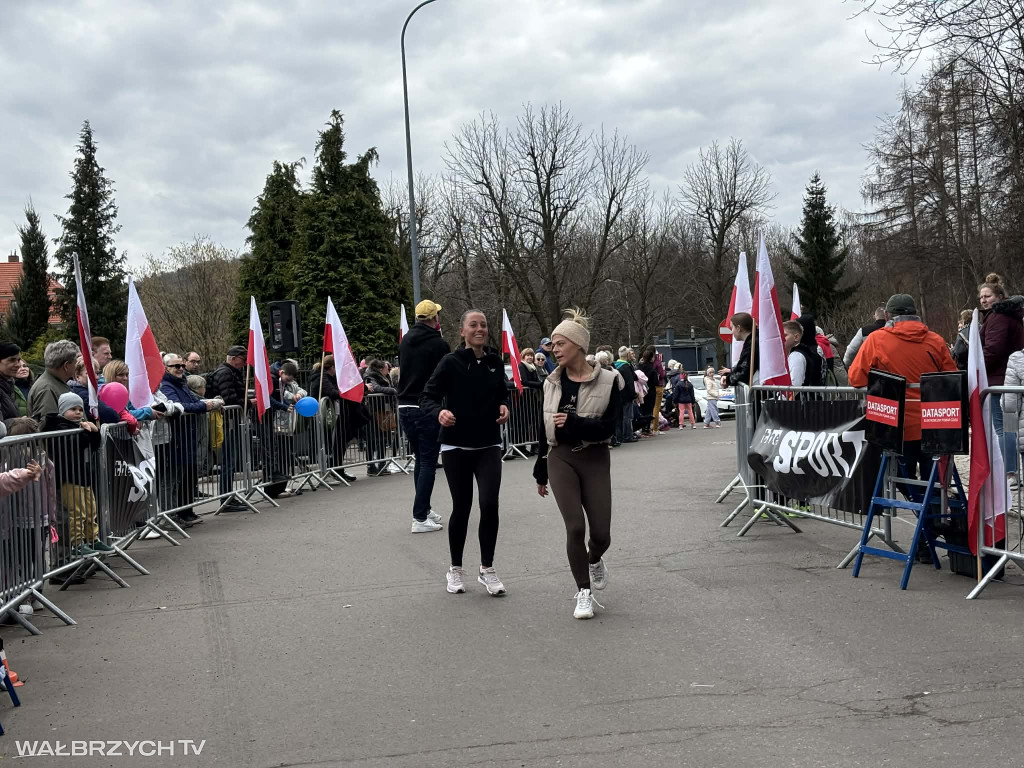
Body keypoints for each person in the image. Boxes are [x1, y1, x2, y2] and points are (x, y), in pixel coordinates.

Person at [533, 309, 624, 620]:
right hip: (561, 457)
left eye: (560, 344)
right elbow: (543, 427)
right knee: (574, 526)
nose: (554, 350)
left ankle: (595, 558)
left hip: (595, 457)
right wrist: (540, 467)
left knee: (601, 535)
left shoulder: (611, 380)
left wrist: (575, 422)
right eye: (553, 345)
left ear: (579, 345)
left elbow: (609, 428)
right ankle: (583, 591)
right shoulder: (550, 382)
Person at [421, 309, 510, 596]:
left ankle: (487, 569)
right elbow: (428, 396)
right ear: (462, 331)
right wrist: (440, 412)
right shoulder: (451, 362)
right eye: (473, 325)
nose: (480, 329)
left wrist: (504, 406)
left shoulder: (495, 362)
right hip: (456, 445)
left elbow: (502, 394)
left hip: (488, 444)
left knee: (490, 503)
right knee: (462, 506)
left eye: (483, 324)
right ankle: (455, 569)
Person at [848, 294, 957, 481]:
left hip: (896, 425)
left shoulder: (876, 340)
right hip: (934, 423)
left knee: (898, 477)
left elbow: (855, 378)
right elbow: (952, 377)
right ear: (916, 314)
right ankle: (932, 507)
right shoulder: (935, 340)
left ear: (887, 316)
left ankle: (917, 504)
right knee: (934, 481)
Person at [397, 299, 450, 533]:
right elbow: (444, 375)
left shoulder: (406, 340)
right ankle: (419, 517)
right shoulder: (438, 344)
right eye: (437, 315)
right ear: (432, 319)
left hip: (404, 406)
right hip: (425, 405)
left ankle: (424, 508)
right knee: (428, 460)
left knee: (421, 458)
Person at [40, 392, 112, 556]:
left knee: (90, 509)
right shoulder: (58, 427)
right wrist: (86, 432)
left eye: (80, 409)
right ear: (63, 410)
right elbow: (72, 444)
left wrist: (94, 432)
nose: (78, 412)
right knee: (77, 512)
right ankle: (77, 542)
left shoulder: (79, 426)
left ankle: (93, 539)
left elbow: (94, 446)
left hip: (83, 476)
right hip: (69, 477)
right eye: (73, 409)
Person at [160, 353, 220, 526]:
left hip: (186, 439)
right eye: (175, 366)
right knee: (169, 481)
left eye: (181, 366)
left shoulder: (182, 383)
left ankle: (176, 514)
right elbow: (178, 406)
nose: (180, 369)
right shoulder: (166, 385)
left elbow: (194, 400)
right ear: (166, 368)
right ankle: (168, 517)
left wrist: (211, 403)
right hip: (175, 439)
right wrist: (204, 406)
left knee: (179, 479)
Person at [979, 273, 1024, 482]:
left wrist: (976, 369)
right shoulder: (1011, 315)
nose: (983, 300)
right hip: (1011, 377)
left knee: (1004, 427)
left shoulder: (998, 317)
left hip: (1000, 380)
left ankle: (1010, 471)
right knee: (1013, 427)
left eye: (987, 296)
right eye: (981, 297)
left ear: (998, 296)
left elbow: (993, 350)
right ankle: (1012, 470)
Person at [211, 345, 248, 510]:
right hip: (227, 422)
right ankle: (226, 498)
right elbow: (229, 398)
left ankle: (228, 497)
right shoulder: (225, 373)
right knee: (228, 462)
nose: (245, 363)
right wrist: (247, 403)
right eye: (243, 359)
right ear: (233, 358)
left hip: (230, 421)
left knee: (231, 461)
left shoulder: (230, 372)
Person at [363, 359, 398, 476]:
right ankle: (371, 466)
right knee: (372, 440)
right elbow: (375, 389)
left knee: (383, 438)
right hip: (373, 411)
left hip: (384, 410)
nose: (388, 370)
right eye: (386, 368)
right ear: (380, 369)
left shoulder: (385, 377)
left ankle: (382, 464)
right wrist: (392, 390)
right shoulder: (370, 377)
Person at [28, 340, 78, 420]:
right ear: (66, 366)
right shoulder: (47, 389)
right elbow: (47, 427)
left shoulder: (54, 383)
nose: (77, 366)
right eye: (76, 362)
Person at [720, 313, 757, 388]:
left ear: (738, 328)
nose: (732, 332)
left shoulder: (753, 344)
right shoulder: (752, 342)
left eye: (732, 328)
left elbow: (744, 371)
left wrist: (728, 380)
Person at [614, 347, 638, 444]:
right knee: (627, 416)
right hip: (627, 395)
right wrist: (634, 394)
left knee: (619, 417)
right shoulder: (626, 366)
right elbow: (630, 382)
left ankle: (619, 436)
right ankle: (627, 436)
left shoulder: (615, 365)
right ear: (627, 355)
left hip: (618, 395)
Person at [638, 346, 659, 436]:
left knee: (642, 410)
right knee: (649, 410)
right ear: (651, 358)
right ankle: (647, 428)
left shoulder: (639, 367)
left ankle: (642, 428)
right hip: (650, 391)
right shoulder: (652, 369)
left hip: (641, 391)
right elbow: (656, 382)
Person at [0, 342, 22, 421]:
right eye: (12, 360)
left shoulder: (8, 386)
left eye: (18, 360)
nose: (18, 365)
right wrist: (22, 423)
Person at [783, 320, 806, 387]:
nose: (781, 338)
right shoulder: (793, 354)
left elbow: (794, 386)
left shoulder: (796, 356)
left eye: (784, 335)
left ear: (796, 337)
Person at [649, 352, 667, 434]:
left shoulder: (645, 363)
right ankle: (655, 428)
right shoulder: (658, 363)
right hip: (658, 386)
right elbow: (662, 374)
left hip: (649, 387)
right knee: (656, 408)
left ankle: (649, 427)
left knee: (650, 407)